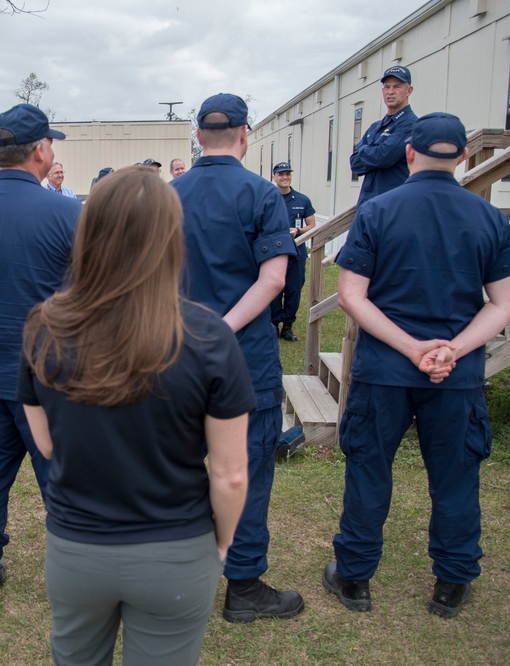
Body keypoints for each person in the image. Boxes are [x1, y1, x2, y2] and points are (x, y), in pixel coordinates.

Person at [19, 167, 251, 666]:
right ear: (171, 237)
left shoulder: (44, 327)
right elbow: (231, 474)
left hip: (77, 548)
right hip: (176, 550)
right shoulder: (210, 337)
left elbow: (46, 442)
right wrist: (223, 545)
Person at [325, 112, 510, 620]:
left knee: (369, 470)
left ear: (408, 153)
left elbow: (350, 296)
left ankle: (354, 576)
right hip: (456, 374)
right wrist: (451, 349)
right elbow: (503, 304)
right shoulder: (490, 218)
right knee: (455, 476)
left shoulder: (379, 210)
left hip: (385, 370)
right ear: (465, 157)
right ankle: (452, 583)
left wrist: (411, 348)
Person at [171, 93, 302, 623]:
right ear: (245, 135)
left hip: (176, 356)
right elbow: (273, 280)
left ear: (199, 136)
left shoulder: (169, 194)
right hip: (242, 359)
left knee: (176, 468)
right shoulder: (262, 194)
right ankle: (242, 586)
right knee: (244, 471)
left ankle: (178, 576)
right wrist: (220, 331)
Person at [0, 103, 81, 605]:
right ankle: (73, 571)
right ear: (41, 150)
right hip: (49, 372)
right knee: (61, 474)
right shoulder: (68, 211)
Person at [349, 65, 417, 205]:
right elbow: (355, 164)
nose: (390, 92)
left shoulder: (410, 124)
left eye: (397, 86)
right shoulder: (376, 127)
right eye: (387, 87)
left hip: (393, 207)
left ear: (409, 91)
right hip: (368, 205)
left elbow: (383, 157)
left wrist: (364, 150)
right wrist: (374, 154)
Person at [269, 162, 316, 342]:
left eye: (288, 174)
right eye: (281, 174)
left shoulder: (302, 200)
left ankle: (287, 326)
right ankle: (273, 324)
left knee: (293, 290)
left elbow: (311, 225)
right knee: (274, 288)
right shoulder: (269, 198)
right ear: (274, 176)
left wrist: (298, 231)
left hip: (296, 253)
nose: (285, 177)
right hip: (275, 253)